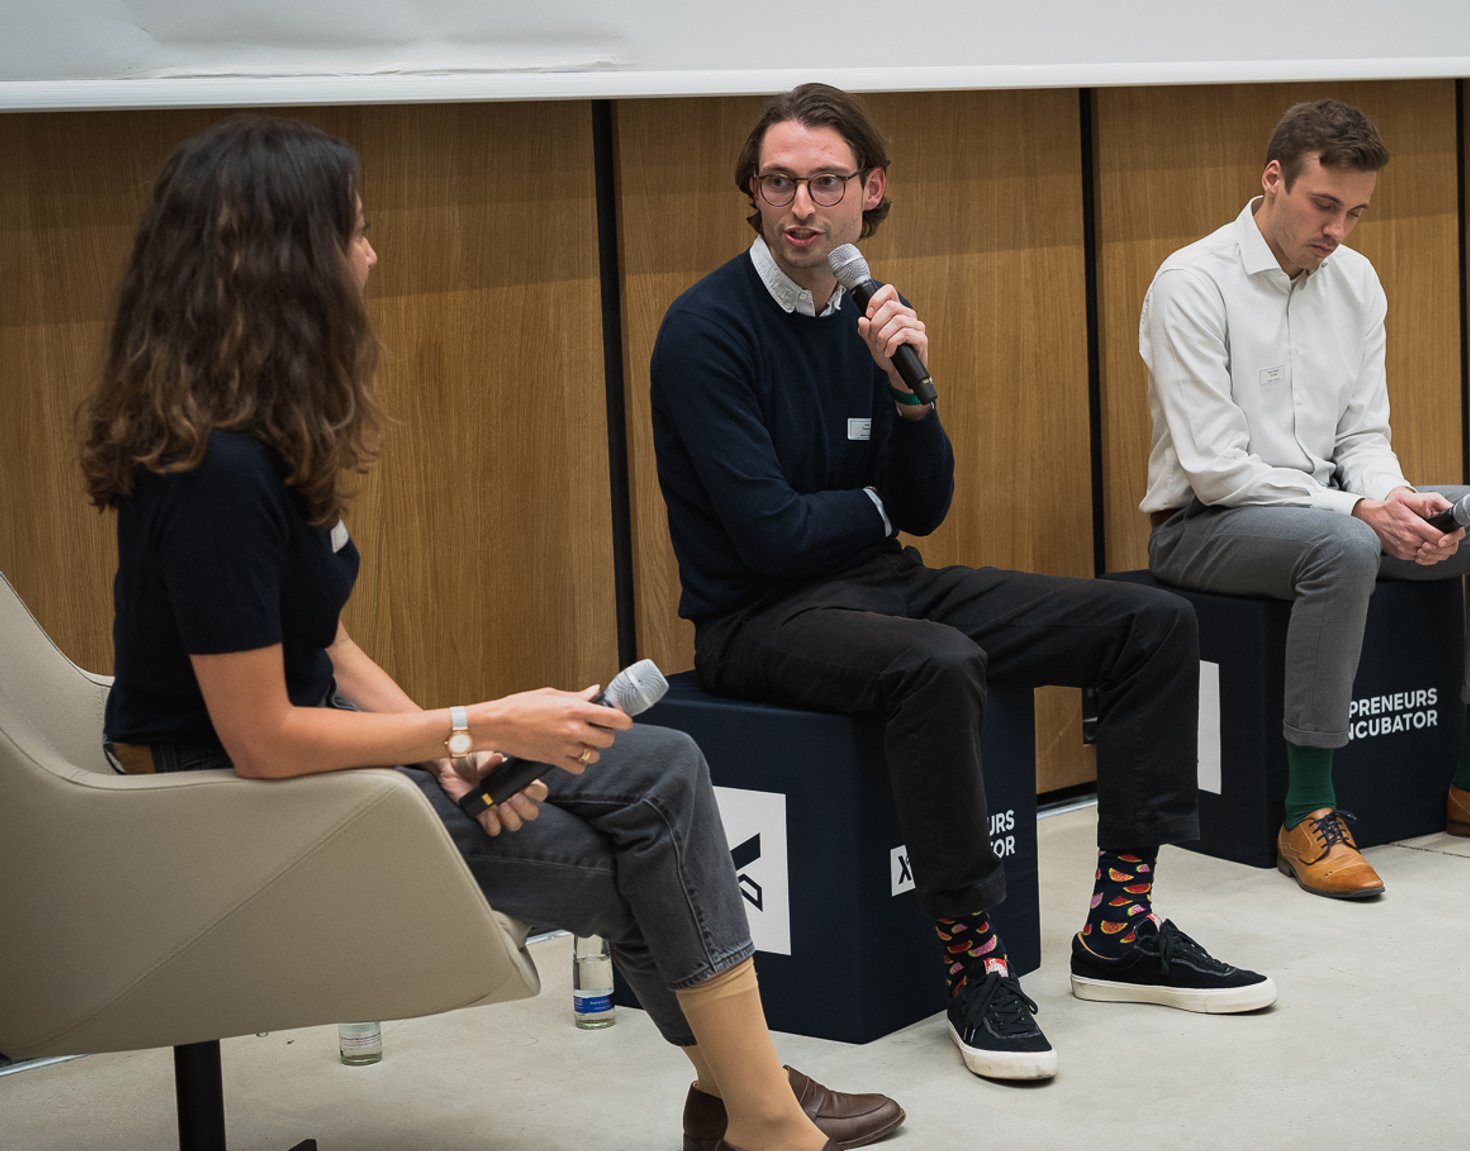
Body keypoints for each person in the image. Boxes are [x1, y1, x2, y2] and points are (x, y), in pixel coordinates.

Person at [78, 115, 901, 1151]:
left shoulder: (258, 430)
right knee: (640, 863)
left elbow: (319, 641)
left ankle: (749, 1106)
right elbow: (260, 737)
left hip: (296, 762)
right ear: (286, 265)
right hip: (228, 803)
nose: (372, 255)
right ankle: (759, 1112)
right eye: (357, 233)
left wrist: (454, 742)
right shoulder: (216, 474)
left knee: (663, 767)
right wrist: (473, 721)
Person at [648, 83, 1274, 1082]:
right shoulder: (705, 330)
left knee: (1150, 621)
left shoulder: (867, 314)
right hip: (757, 618)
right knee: (937, 663)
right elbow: (766, 538)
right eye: (778, 182)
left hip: (883, 582)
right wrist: (867, 505)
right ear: (752, 193)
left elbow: (924, 503)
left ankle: (1118, 925)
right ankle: (972, 962)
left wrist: (907, 393)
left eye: (824, 182)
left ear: (870, 189)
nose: (801, 206)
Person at [1139, 99, 1470, 901]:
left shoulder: (1354, 280)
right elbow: (1216, 468)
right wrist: (1357, 513)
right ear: (1273, 179)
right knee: (1346, 544)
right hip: (1205, 524)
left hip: (1326, 511)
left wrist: (1396, 498)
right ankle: (1307, 810)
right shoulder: (1191, 282)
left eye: (1356, 213)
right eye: (1325, 206)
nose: (1340, 231)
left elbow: (1363, 435)